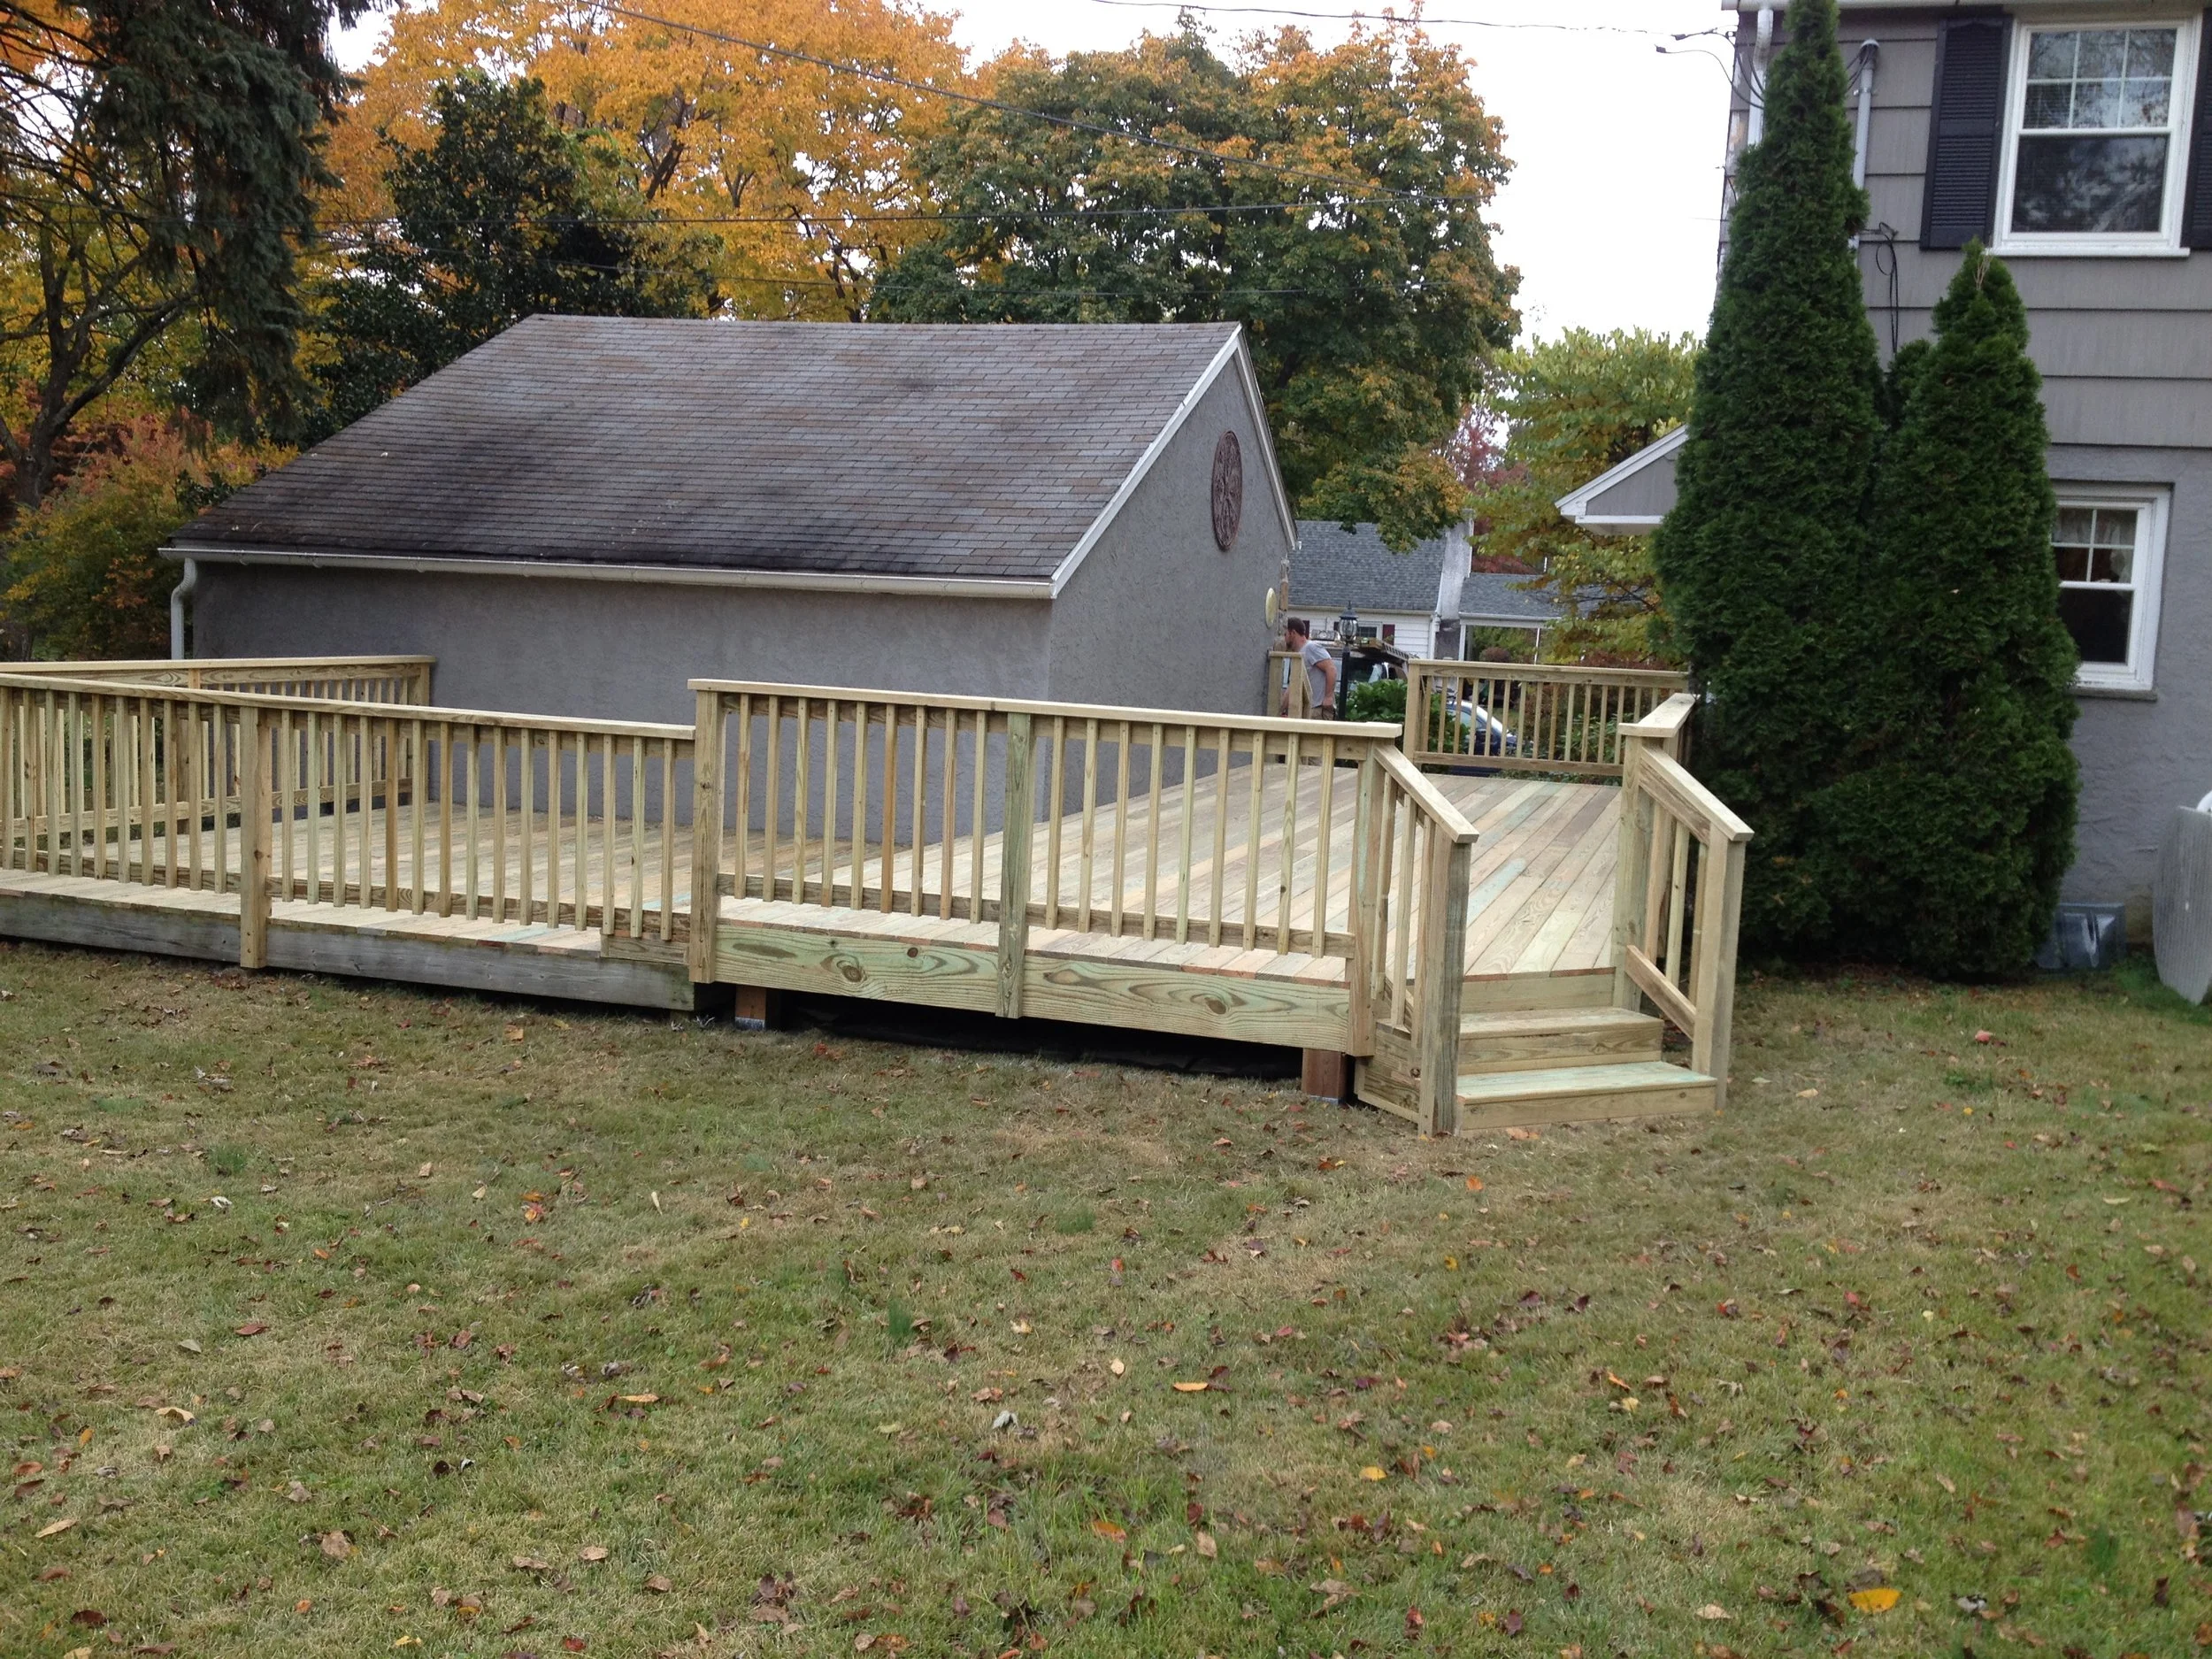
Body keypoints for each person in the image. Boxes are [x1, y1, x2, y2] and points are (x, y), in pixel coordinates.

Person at [1283, 618, 1337, 718]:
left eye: (1285, 634)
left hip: (1318, 709)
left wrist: (1328, 697)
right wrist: (1281, 710)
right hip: (1308, 710)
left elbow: (1331, 668)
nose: (1284, 639)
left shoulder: (1311, 648)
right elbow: (1293, 686)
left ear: (1293, 633)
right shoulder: (1298, 655)